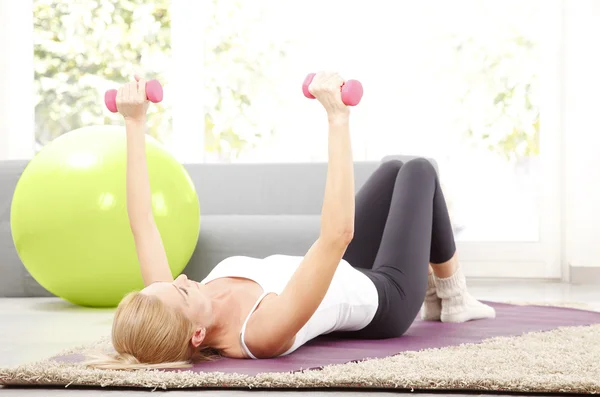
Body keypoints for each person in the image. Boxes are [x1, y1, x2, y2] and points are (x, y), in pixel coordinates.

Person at [86, 72, 495, 370]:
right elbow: (337, 236)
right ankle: (452, 297)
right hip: (384, 296)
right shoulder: (259, 333)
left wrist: (134, 122)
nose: (180, 279)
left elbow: (142, 222)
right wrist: (338, 118)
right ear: (196, 336)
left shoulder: (171, 306)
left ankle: (442, 294)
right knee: (419, 170)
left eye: (170, 283)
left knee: (392, 169)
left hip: (346, 268)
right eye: (183, 292)